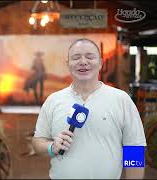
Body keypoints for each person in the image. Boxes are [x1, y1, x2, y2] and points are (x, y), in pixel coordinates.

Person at [32, 38, 146, 179]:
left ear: (101, 64)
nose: (83, 62)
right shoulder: (53, 100)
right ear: (68, 64)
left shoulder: (121, 100)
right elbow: (38, 142)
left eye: (90, 57)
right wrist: (52, 147)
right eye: (76, 57)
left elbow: (134, 149)